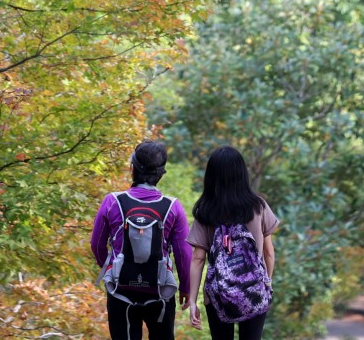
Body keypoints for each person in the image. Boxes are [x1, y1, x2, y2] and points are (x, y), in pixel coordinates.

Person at [91, 141, 192, 340]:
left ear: (132, 168)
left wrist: (111, 268)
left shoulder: (112, 202)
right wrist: (186, 288)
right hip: (160, 291)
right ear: (161, 173)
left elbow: (96, 245)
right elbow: (184, 253)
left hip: (120, 291)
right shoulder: (173, 207)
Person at [185, 146, 279, 340]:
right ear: (241, 173)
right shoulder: (258, 206)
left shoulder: (206, 210)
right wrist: (267, 283)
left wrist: (193, 300)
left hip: (218, 294)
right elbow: (269, 252)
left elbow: (198, 259)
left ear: (211, 176)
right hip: (254, 290)